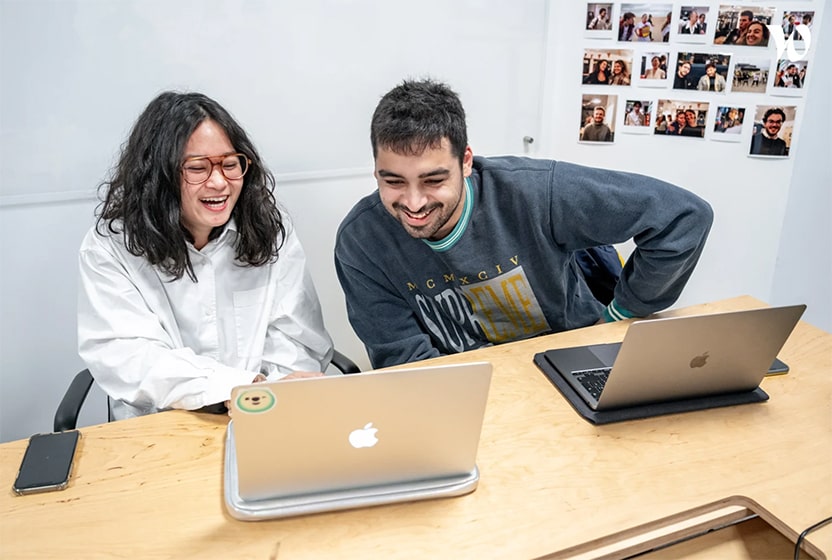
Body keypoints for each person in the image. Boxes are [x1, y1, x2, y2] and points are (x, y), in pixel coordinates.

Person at [334, 79, 713, 368]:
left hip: (575, 361)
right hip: (468, 389)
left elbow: (682, 217)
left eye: (434, 180)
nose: (414, 203)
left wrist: (621, 314)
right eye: (393, 181)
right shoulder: (362, 242)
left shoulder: (535, 192)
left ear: (466, 162)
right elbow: (407, 362)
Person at [78, 91, 334, 419]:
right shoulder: (111, 245)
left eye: (230, 165)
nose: (219, 183)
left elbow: (299, 339)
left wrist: (270, 390)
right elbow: (131, 357)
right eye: (198, 168)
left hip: (265, 412)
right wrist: (241, 386)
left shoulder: (269, 228)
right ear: (160, 177)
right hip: (162, 423)